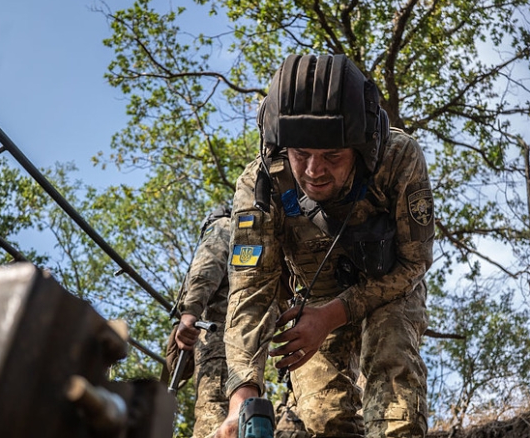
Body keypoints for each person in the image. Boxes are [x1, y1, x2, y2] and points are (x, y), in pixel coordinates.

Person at [216, 54, 435, 438]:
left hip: (388, 292)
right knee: (324, 419)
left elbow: (414, 264)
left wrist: (334, 315)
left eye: (332, 156)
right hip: (312, 301)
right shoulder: (262, 185)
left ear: (363, 147)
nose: (315, 171)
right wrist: (242, 400)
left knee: (394, 396)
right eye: (302, 155)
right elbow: (250, 291)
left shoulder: (398, 158)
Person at [165, 205, 232, 438]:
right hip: (245, 343)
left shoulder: (223, 227)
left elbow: (206, 270)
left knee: (213, 413)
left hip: (218, 340)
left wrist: (189, 313)